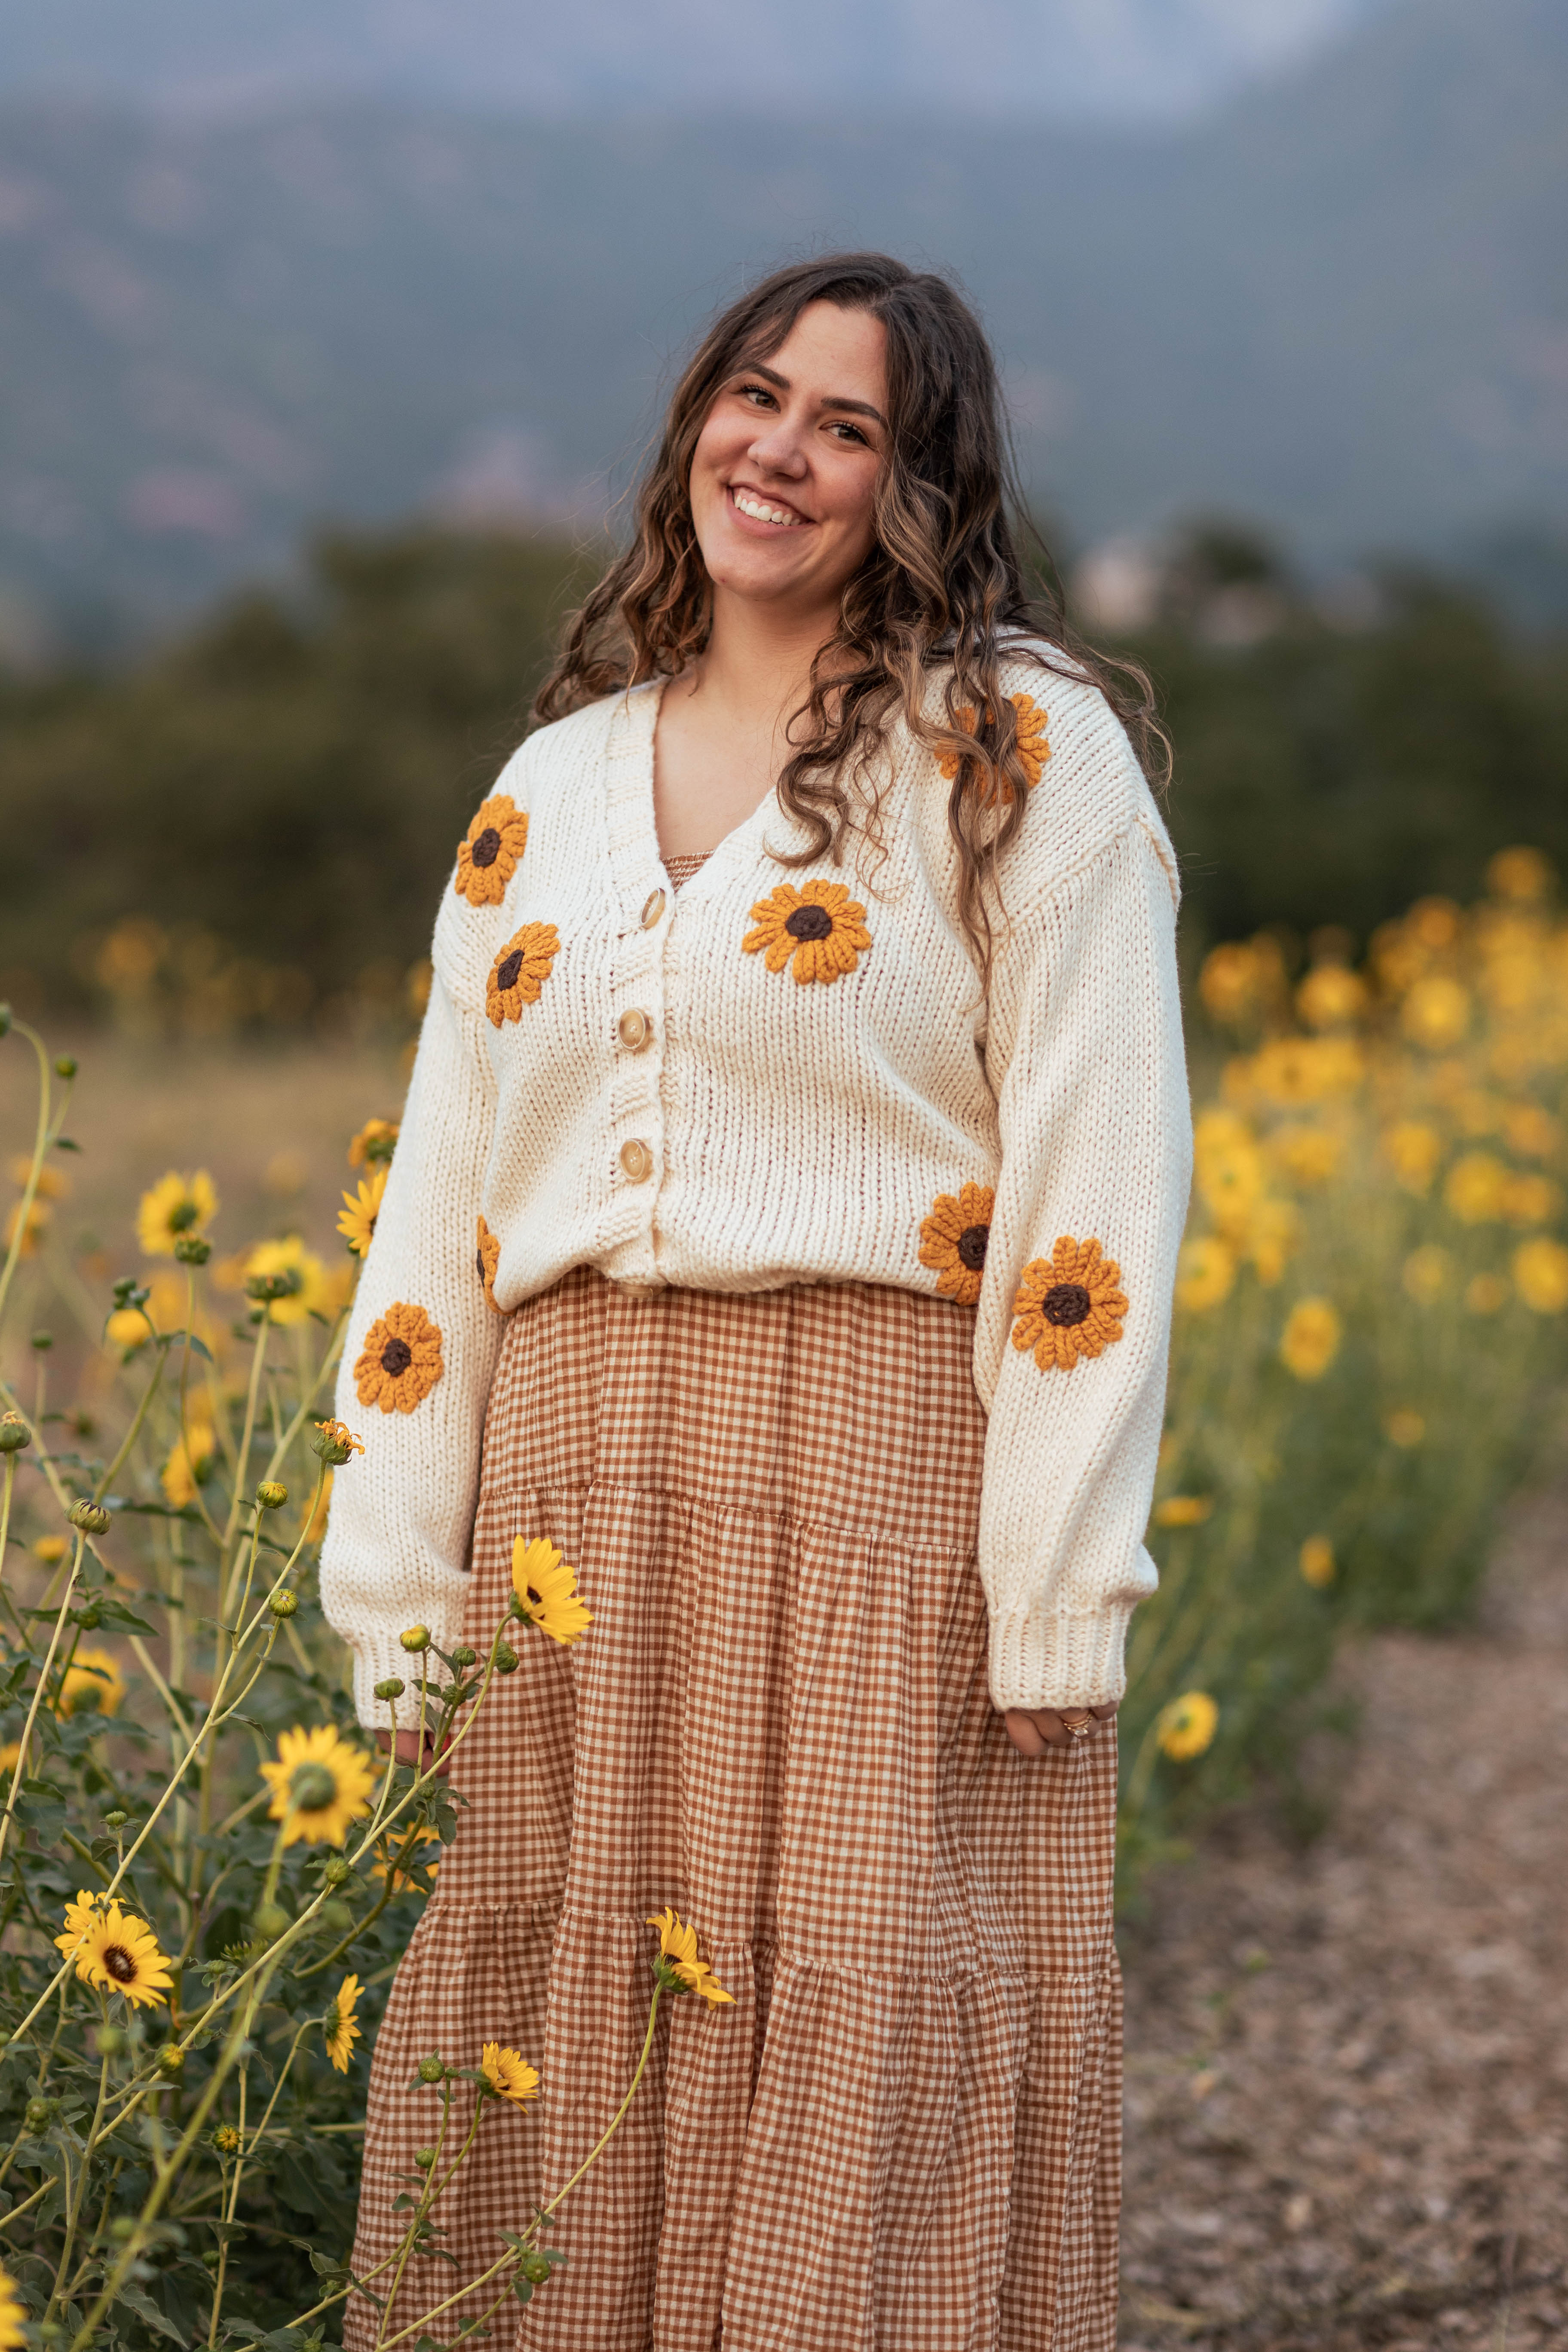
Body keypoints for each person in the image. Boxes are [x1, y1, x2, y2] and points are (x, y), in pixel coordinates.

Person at [321, 251, 1191, 2352]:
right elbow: (437, 1218)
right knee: (564, 2010)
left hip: (878, 1479)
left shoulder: (1022, 757)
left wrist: (1060, 1577)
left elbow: (1102, 1188)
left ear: (920, 484)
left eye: (849, 424)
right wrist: (388, 1574)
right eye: (754, 396)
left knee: (850, 2007)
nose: (778, 451)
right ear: (693, 422)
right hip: (568, 1502)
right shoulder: (546, 792)